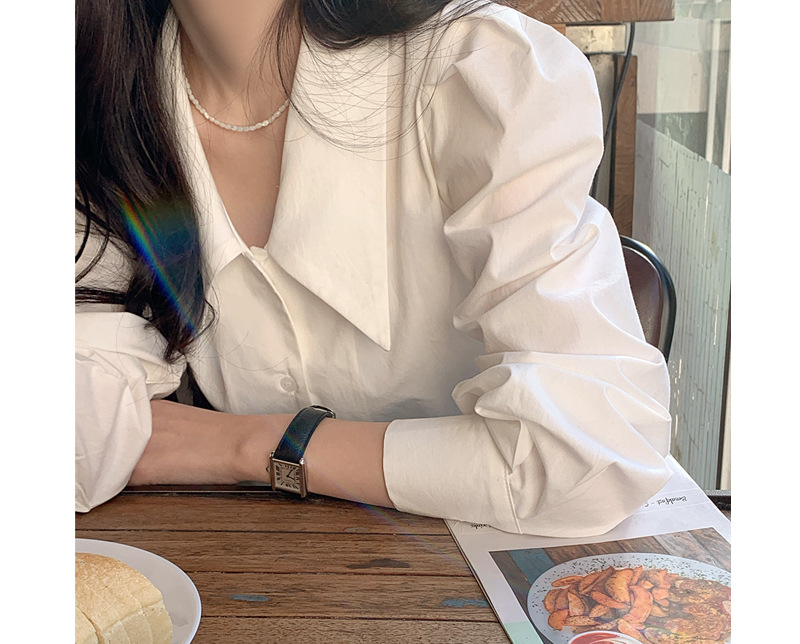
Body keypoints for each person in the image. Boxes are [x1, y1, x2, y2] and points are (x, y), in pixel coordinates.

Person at [75, 0, 673, 537]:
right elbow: (78, 439)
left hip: (481, 577)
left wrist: (249, 445)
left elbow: (589, 457)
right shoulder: (99, 106)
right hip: (261, 570)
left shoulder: (480, 71)